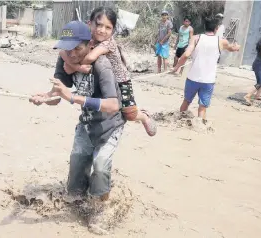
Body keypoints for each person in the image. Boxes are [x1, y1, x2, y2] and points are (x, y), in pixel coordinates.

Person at [29, 21, 125, 234]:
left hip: (111, 125)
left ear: (90, 44)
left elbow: (113, 105)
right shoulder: (63, 60)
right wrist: (44, 98)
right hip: (87, 123)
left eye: (77, 49)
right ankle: (79, 203)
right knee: (74, 184)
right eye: (67, 48)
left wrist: (72, 97)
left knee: (100, 166)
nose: (71, 54)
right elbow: (57, 96)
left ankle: (101, 207)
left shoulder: (102, 65)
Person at [60, 7, 157, 137]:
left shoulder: (108, 43)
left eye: (108, 27)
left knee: (129, 114)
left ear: (113, 31)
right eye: (99, 25)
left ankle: (144, 116)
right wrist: (73, 65)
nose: (102, 30)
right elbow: (62, 52)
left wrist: (74, 67)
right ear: (90, 24)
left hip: (121, 81)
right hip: (102, 80)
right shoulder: (86, 39)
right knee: (99, 106)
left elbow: (90, 58)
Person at [171, 18, 240, 121]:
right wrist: (237, 47)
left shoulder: (195, 38)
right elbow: (232, 48)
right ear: (216, 29)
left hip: (192, 78)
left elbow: (186, 54)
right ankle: (200, 127)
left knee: (186, 102)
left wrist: (176, 67)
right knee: (202, 107)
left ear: (204, 27)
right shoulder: (221, 41)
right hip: (208, 81)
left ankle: (178, 122)